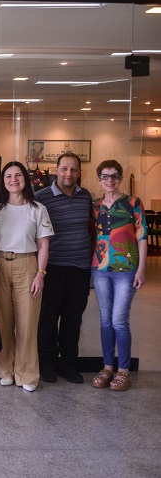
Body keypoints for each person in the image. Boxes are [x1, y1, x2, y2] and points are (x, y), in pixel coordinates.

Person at [0, 161, 53, 392]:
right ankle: (5, 369)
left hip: (28, 264)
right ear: (3, 181)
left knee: (27, 323)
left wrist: (40, 274)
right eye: (8, 176)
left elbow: (43, 244)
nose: (13, 180)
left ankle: (27, 373)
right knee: (4, 321)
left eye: (18, 175)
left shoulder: (37, 208)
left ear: (25, 180)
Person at [34, 152, 93, 384]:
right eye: (64, 168)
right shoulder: (41, 197)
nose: (69, 173)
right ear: (56, 170)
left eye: (74, 169)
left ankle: (68, 364)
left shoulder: (85, 196)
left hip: (80, 268)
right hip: (53, 267)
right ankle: (47, 363)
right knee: (48, 319)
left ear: (79, 172)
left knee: (73, 319)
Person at [89, 160, 147, 392]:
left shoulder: (133, 203)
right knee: (105, 320)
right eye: (105, 176)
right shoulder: (95, 206)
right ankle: (107, 368)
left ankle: (123, 371)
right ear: (99, 179)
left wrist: (141, 269)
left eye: (114, 176)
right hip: (100, 269)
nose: (110, 180)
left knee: (118, 320)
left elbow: (142, 237)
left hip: (126, 269)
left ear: (120, 178)